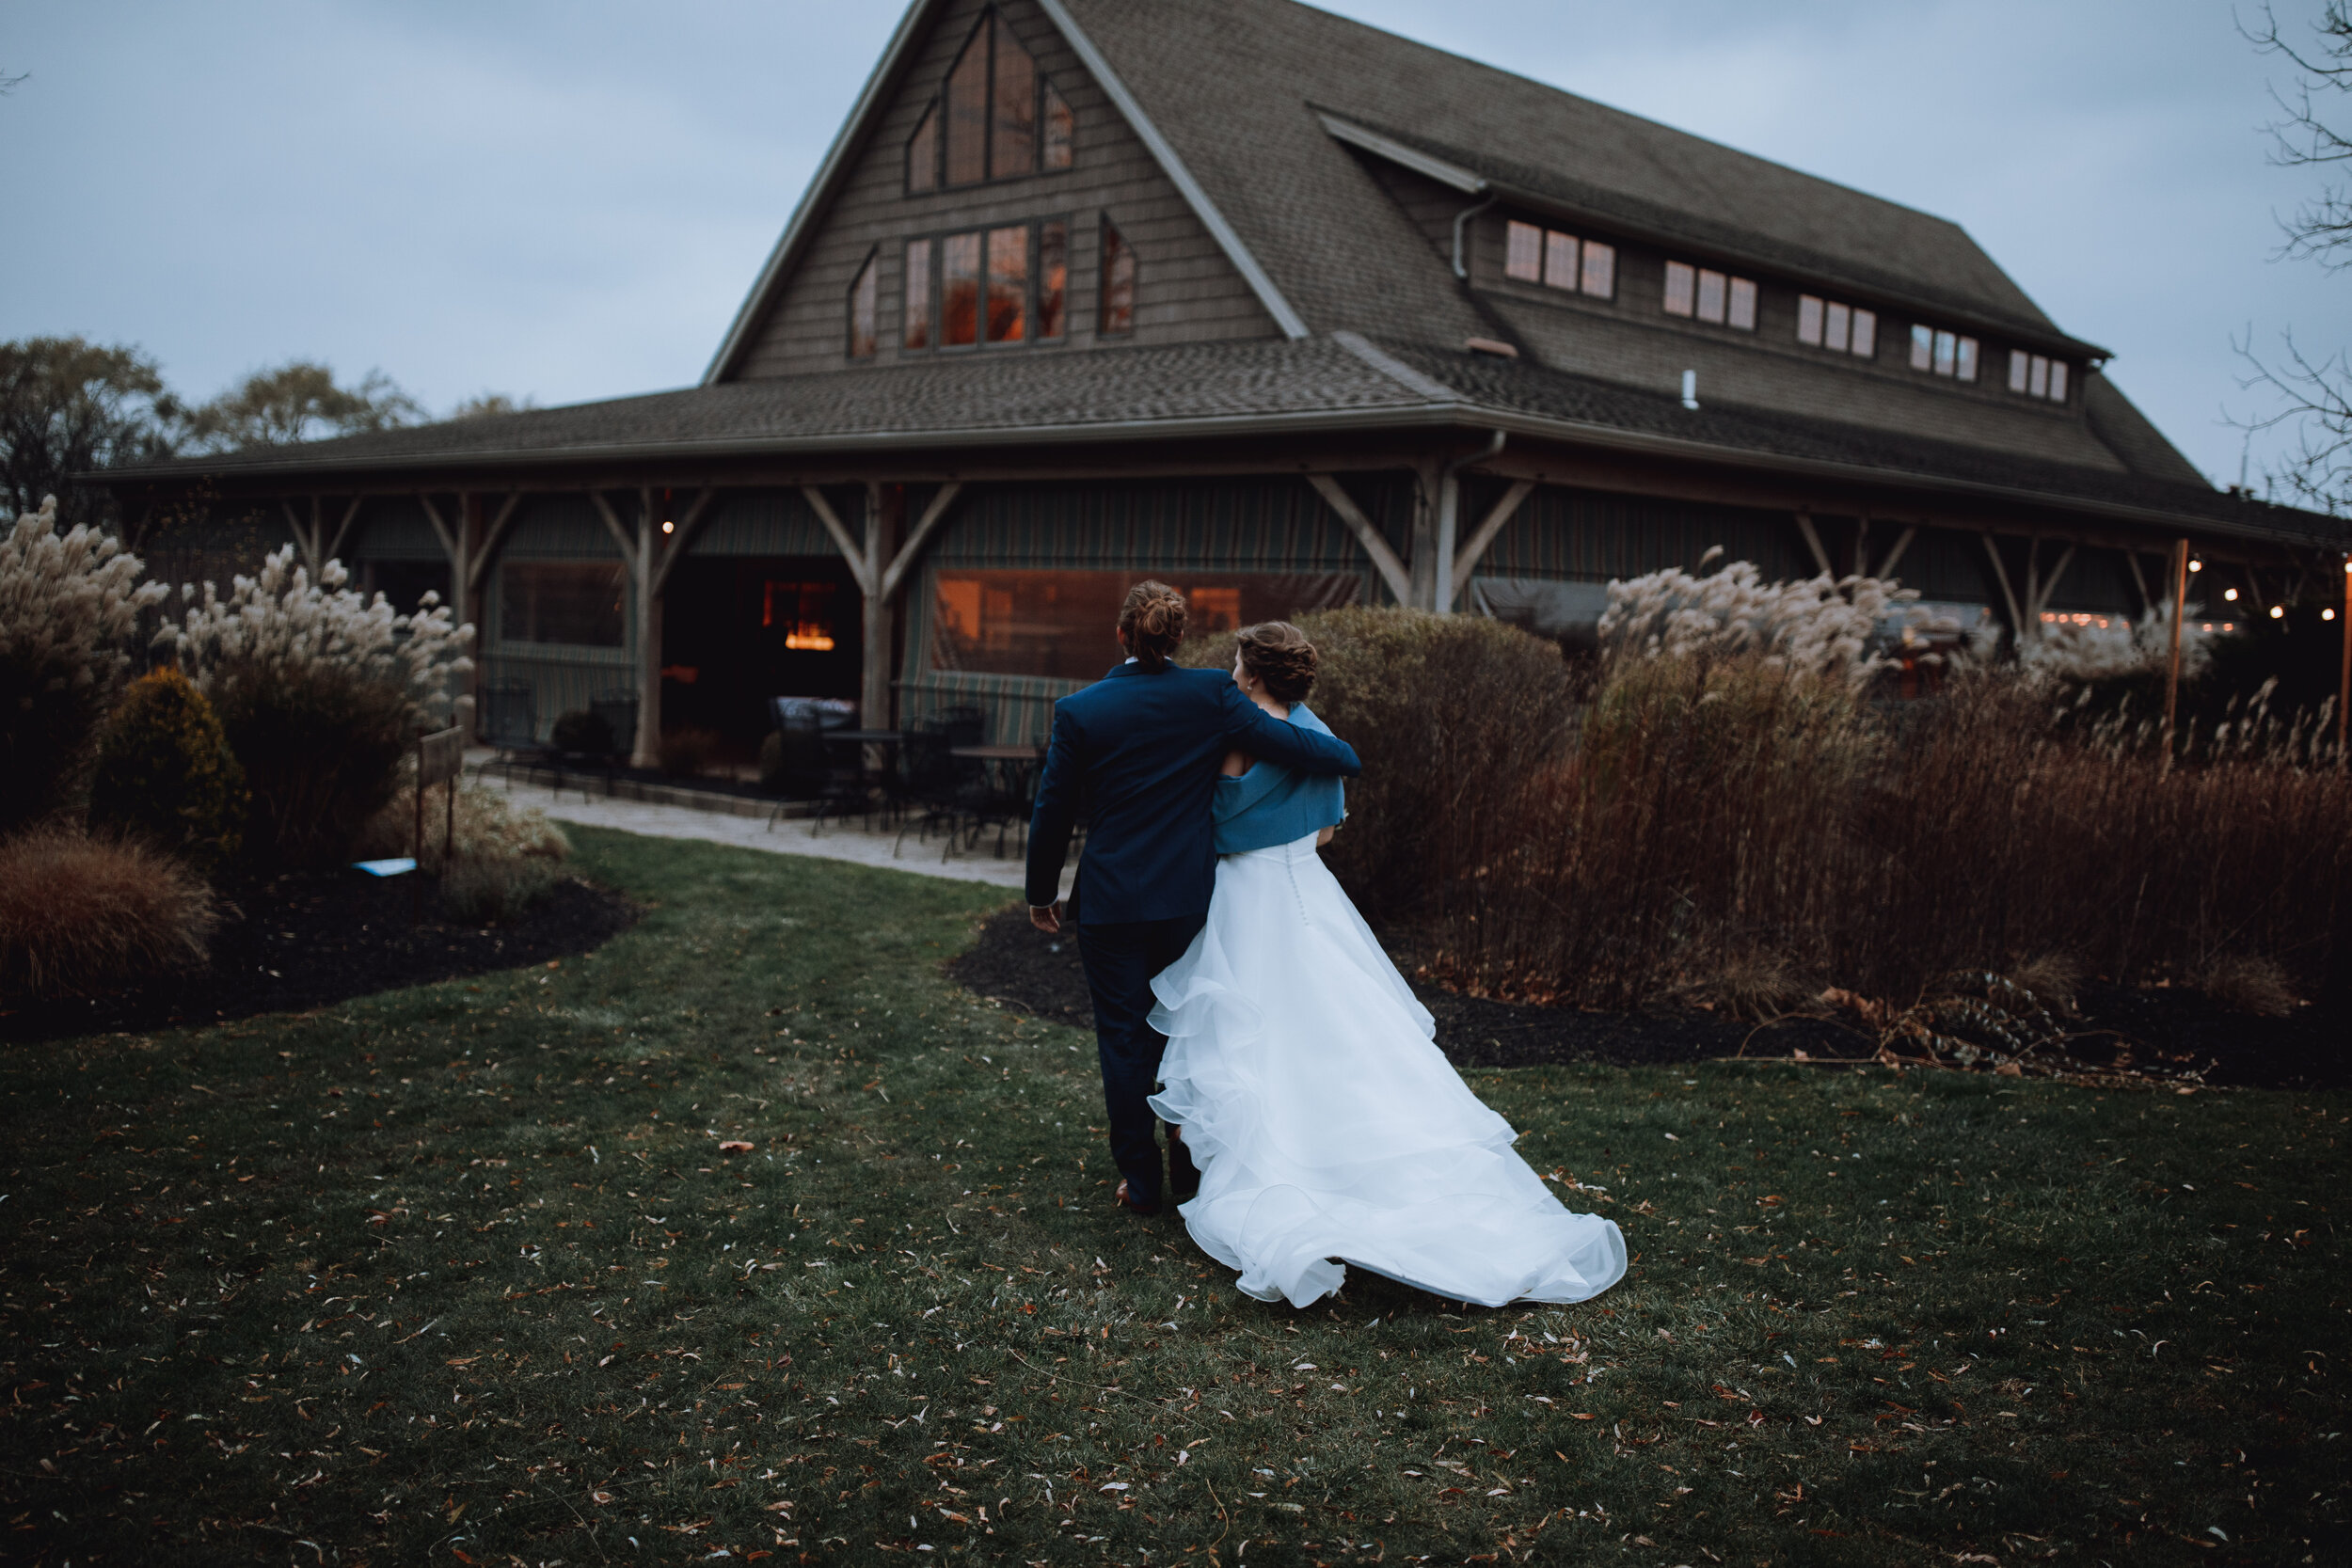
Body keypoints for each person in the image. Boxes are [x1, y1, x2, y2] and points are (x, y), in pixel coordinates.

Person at [1145, 621, 1628, 1309]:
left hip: (1250, 897)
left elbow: (1219, 818)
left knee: (1255, 1031)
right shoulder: (1319, 733)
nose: (1230, 670)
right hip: (1310, 890)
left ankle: (1282, 1172)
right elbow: (1331, 826)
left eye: (1237, 662)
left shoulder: (1243, 735)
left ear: (1252, 674)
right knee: (1345, 1028)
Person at [1025, 582, 1363, 1219]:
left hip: (1112, 901)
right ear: (1177, 637)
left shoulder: (1081, 710)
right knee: (1190, 1027)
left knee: (1123, 1037)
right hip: (1186, 897)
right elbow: (1292, 744)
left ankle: (1142, 1179)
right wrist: (1346, 756)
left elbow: (1052, 810)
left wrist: (1042, 893)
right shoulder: (1210, 693)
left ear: (1122, 635)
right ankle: (1192, 1149)